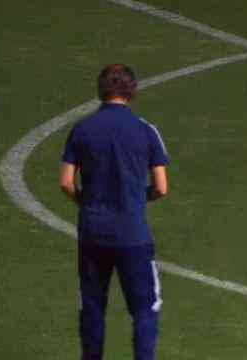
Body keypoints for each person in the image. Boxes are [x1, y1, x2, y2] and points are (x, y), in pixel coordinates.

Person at [59, 63, 169, 360]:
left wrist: (88, 204)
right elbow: (161, 187)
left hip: (93, 231)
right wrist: (136, 200)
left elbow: (67, 182)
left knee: (93, 307)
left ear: (101, 91)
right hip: (132, 233)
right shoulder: (146, 131)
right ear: (132, 91)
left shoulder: (82, 129)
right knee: (145, 308)